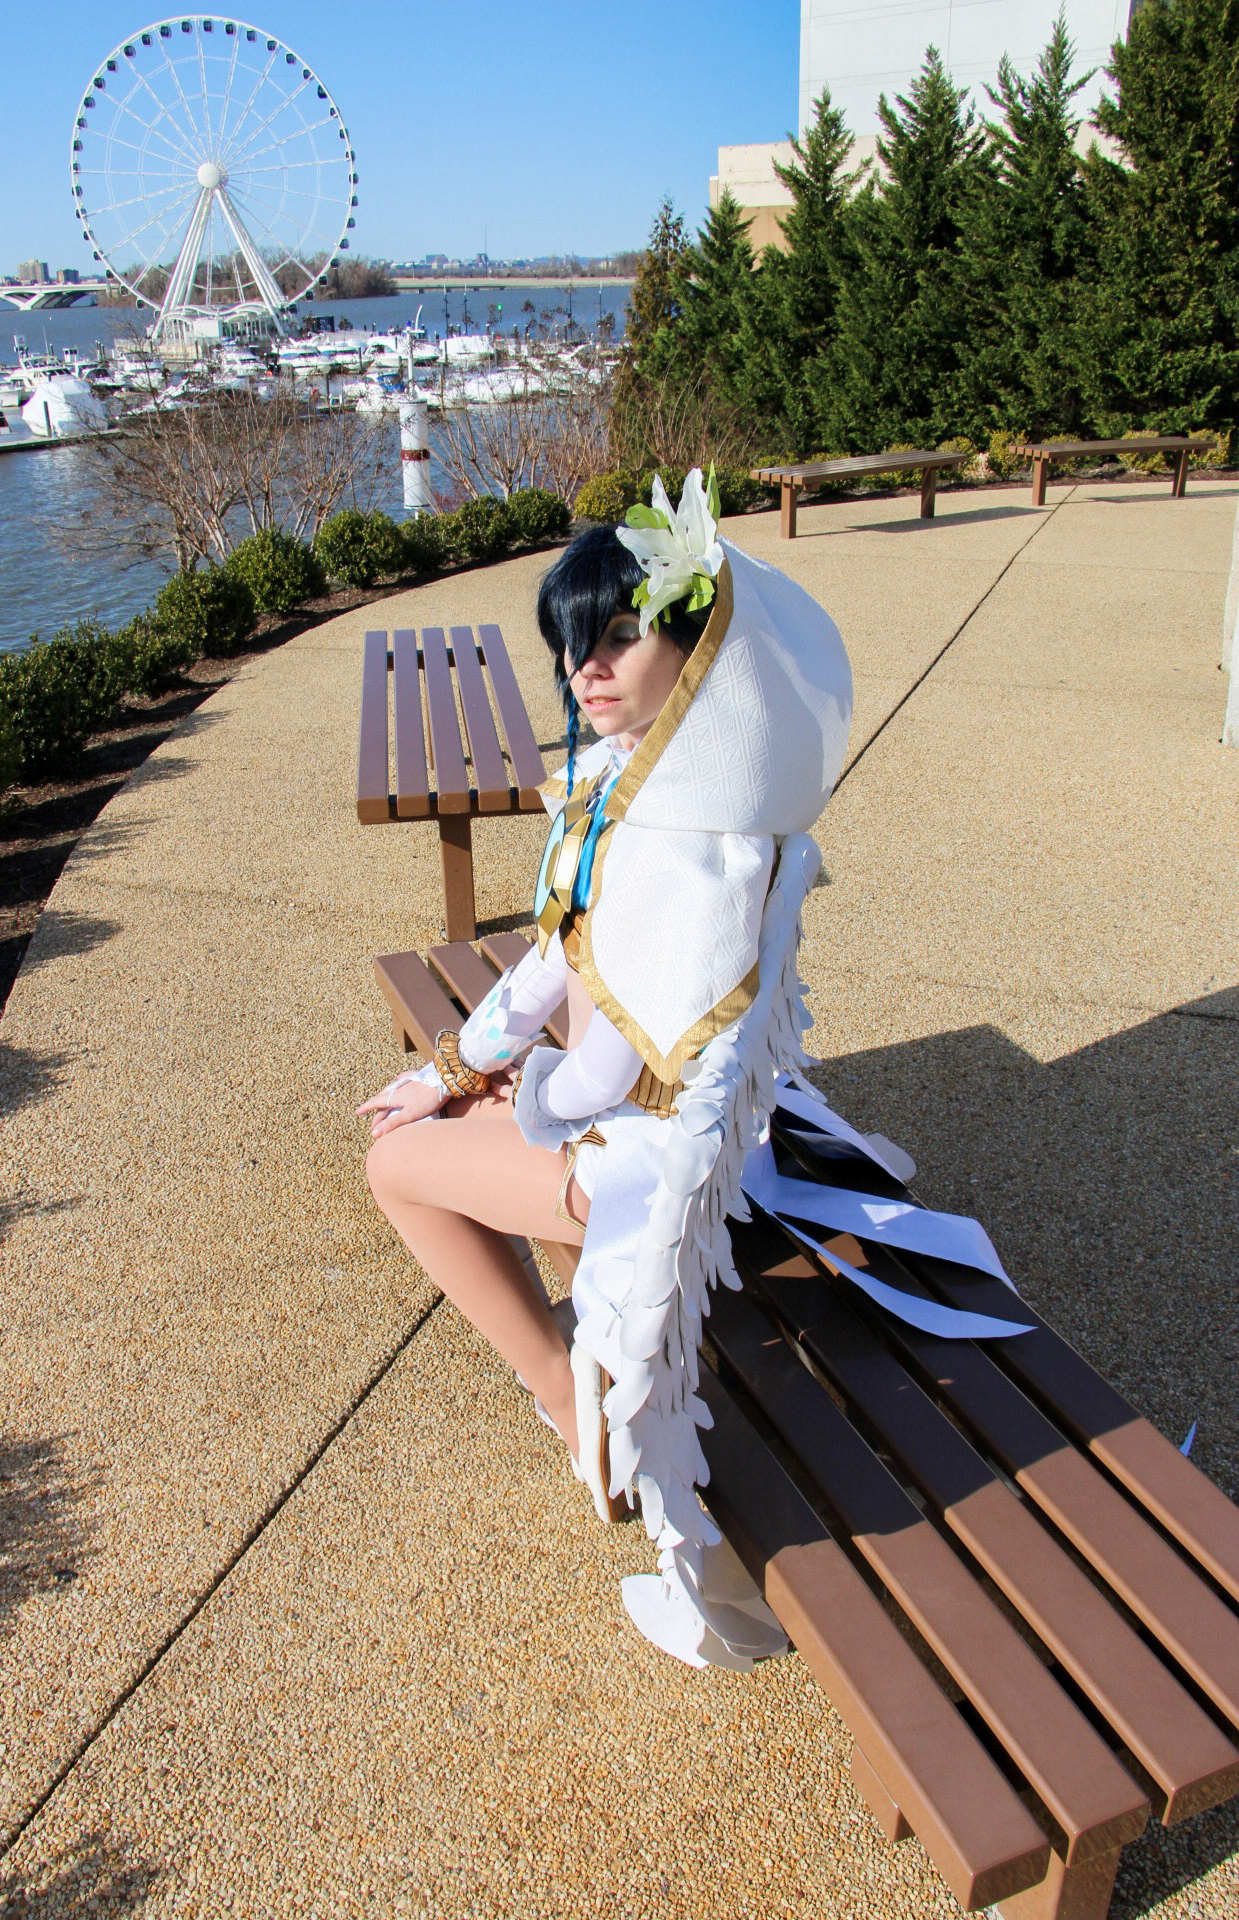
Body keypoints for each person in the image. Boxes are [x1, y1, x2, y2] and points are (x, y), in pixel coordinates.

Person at [361, 469, 854, 1667]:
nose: (586, 668)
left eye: (620, 635)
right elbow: (553, 957)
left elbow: (631, 1057)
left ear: (695, 643)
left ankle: (558, 1394)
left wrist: (515, 1092)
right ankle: (562, 1369)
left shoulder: (699, 843)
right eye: (570, 646)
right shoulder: (636, 788)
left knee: (393, 1168)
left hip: (646, 1161)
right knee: (431, 1119)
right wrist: (453, 1066)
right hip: (631, 1119)